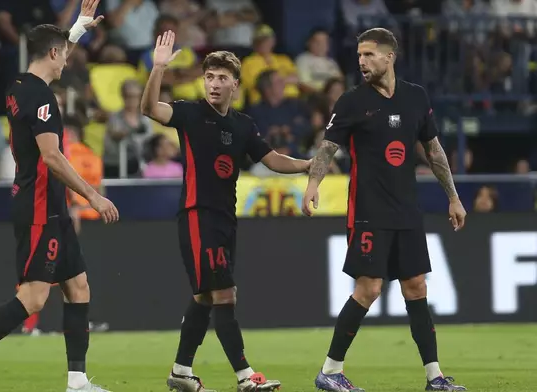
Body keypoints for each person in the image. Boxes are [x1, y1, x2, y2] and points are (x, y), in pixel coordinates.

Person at [0, 1, 119, 392]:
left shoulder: (20, 85)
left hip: (47, 203)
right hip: (39, 205)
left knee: (78, 286)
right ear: (53, 54)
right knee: (34, 299)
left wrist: (77, 30)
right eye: (65, 53)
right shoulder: (44, 100)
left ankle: (77, 382)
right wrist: (92, 196)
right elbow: (52, 157)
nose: (68, 60)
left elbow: (51, 50)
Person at [141, 30, 311, 392]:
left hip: (225, 219)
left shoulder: (242, 125)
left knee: (205, 296)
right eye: (209, 77)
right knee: (224, 295)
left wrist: (307, 165)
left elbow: (272, 159)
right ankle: (245, 376)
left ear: (235, 84)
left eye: (221, 78)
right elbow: (149, 109)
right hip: (197, 215)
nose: (214, 84)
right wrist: (158, 69)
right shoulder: (189, 113)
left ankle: (181, 372)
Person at [301, 28, 468, 392]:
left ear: (390, 56)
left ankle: (435, 377)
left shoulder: (415, 97)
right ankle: (330, 371)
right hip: (368, 210)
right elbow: (328, 148)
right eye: (359, 55)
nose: (362, 61)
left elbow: (435, 151)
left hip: (406, 209)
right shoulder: (351, 101)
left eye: (369, 55)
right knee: (368, 288)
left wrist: (453, 197)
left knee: (417, 286)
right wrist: (313, 184)